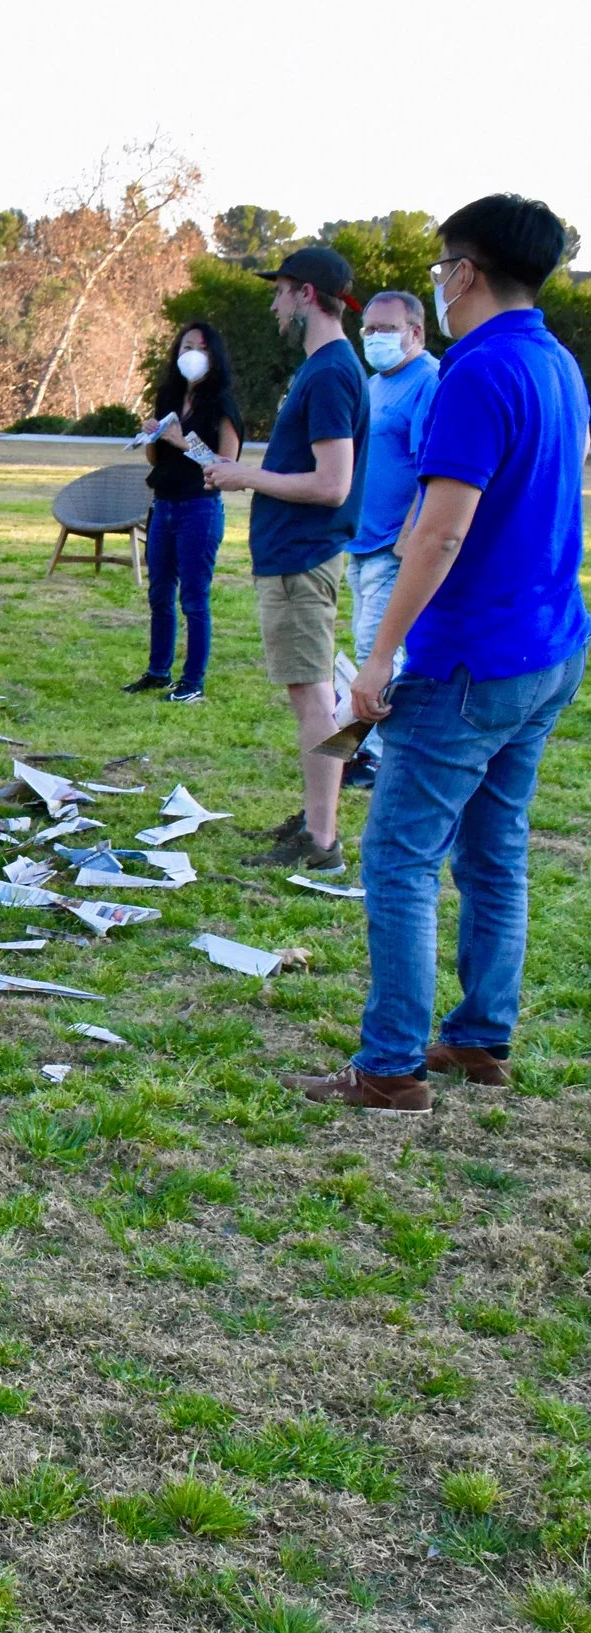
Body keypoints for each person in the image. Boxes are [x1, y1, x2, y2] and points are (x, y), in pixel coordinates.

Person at [285, 195, 588, 1112]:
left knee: (401, 859)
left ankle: (389, 1066)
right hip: (549, 648)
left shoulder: (474, 372)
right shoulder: (559, 362)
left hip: (472, 660)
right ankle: (481, 1039)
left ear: (463, 274)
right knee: (495, 850)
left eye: (439, 272)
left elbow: (440, 534)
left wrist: (376, 660)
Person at [201, 246, 368, 873]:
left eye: (279, 292)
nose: (273, 304)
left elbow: (332, 485)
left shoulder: (329, 373)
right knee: (317, 699)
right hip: (298, 555)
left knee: (315, 704)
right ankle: (315, 821)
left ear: (304, 294)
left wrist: (245, 475)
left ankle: (321, 842)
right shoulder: (327, 368)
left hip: (303, 557)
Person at [338, 290, 440, 786]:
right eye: (369, 329)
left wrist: (407, 538)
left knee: (377, 648)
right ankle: (374, 745)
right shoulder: (375, 384)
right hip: (361, 540)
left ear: (415, 332)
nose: (374, 338)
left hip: (393, 548)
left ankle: (377, 754)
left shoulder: (429, 381)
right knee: (368, 643)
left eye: (387, 328)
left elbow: (434, 472)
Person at [124, 322, 243, 702]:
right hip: (164, 503)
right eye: (185, 345)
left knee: (193, 596)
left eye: (200, 347)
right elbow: (156, 456)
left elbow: (227, 464)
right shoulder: (170, 397)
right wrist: (153, 435)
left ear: (213, 356)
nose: (190, 353)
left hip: (199, 507)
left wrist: (183, 439)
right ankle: (158, 671)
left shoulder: (222, 405)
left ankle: (193, 682)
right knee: (159, 593)